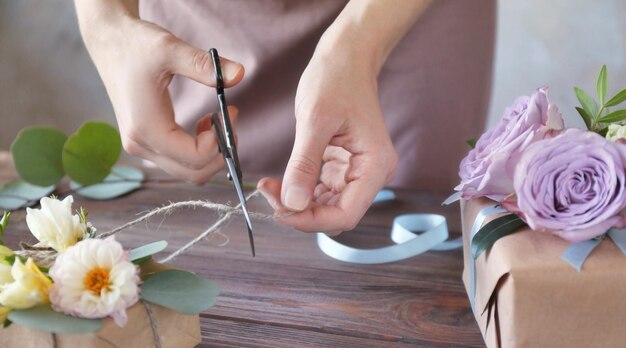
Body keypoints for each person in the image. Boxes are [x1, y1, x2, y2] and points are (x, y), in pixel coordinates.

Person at [74, 0, 495, 235]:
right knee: (189, 175)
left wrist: (359, 46)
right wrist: (107, 24)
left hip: (400, 16)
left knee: (409, 202)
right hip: (203, 14)